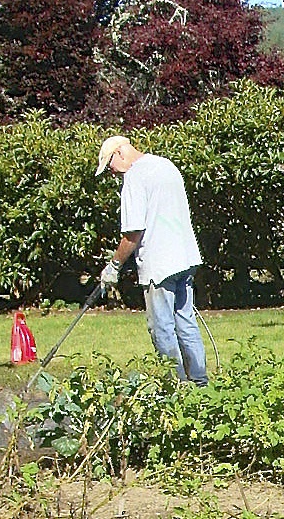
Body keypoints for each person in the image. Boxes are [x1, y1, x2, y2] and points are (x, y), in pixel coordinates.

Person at [96, 135, 208, 386]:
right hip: (186, 257)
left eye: (110, 166)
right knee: (185, 321)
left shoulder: (135, 178)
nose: (112, 174)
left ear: (120, 153)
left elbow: (133, 232)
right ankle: (200, 384)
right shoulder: (165, 165)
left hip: (160, 264)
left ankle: (175, 386)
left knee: (162, 328)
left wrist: (114, 266)